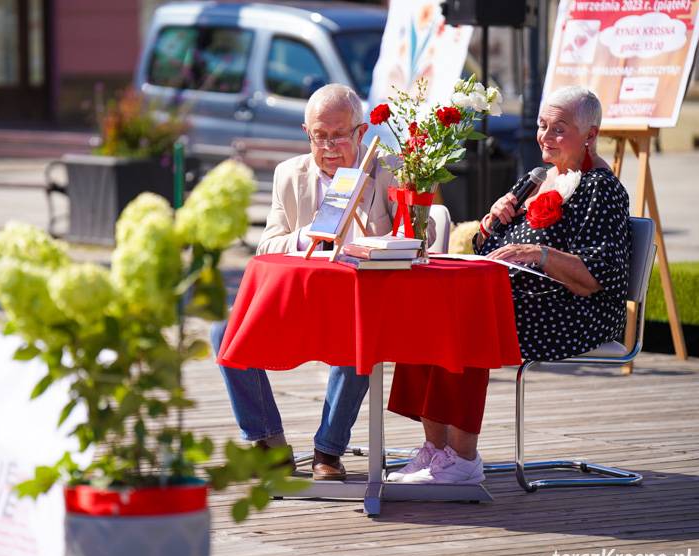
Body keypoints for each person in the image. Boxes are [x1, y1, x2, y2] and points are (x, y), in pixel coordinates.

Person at [386, 85, 631, 485]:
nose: (545, 136)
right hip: (520, 298)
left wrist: (538, 253)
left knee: (469, 316)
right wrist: (490, 224)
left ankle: (462, 458)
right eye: (542, 125)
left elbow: (597, 278)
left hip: (573, 311)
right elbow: (494, 252)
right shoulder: (537, 180)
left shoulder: (600, 189)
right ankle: (436, 448)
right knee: (429, 307)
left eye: (559, 129)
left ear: (591, 134)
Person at [210, 83, 396, 480]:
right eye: (318, 136)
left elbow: (418, 237)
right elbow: (267, 246)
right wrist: (307, 234)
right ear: (306, 132)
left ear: (361, 132)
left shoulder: (389, 170)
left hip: (361, 301)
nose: (328, 147)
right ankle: (269, 443)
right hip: (301, 298)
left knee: (361, 332)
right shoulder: (289, 174)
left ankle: (328, 450)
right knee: (223, 331)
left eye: (338, 135)